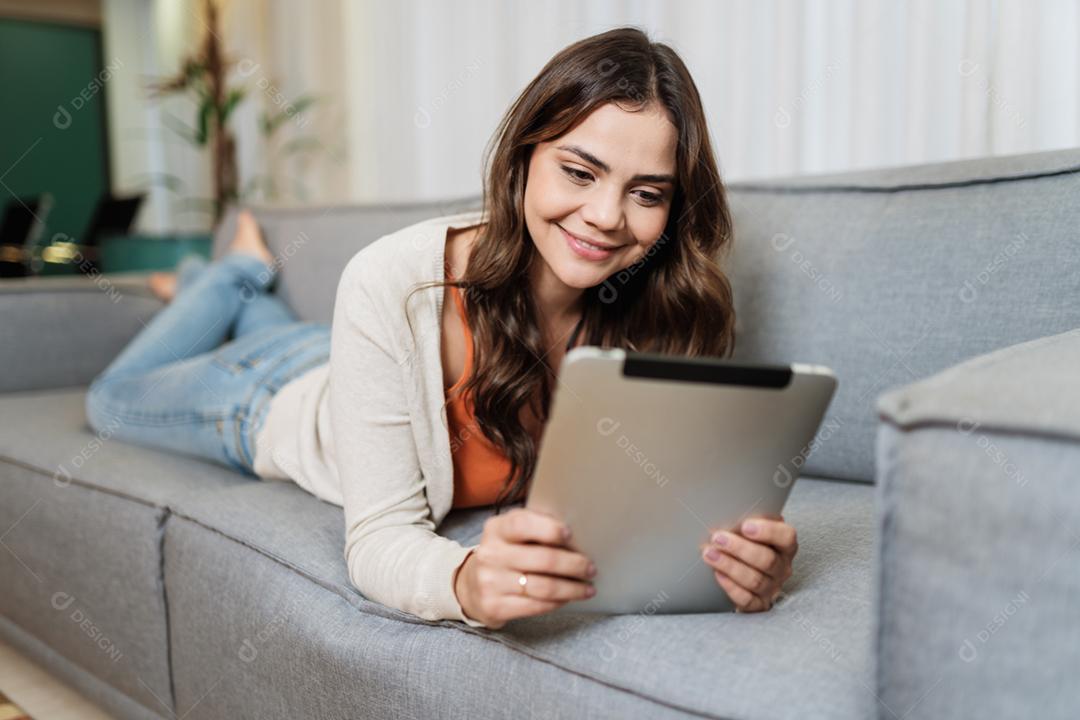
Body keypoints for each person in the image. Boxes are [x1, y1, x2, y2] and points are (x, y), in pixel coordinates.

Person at [86, 26, 797, 631]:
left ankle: (240, 290)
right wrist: (466, 583)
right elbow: (378, 540)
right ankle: (232, 275)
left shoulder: (665, 307)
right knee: (109, 401)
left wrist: (739, 558)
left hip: (343, 360)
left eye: (645, 193)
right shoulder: (390, 279)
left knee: (276, 330)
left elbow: (662, 500)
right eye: (580, 172)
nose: (608, 217)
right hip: (266, 399)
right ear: (524, 158)